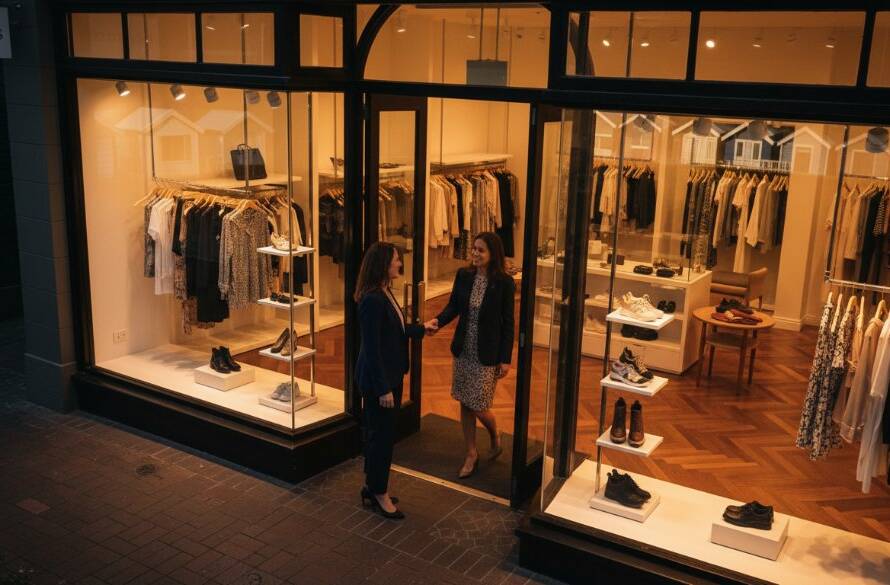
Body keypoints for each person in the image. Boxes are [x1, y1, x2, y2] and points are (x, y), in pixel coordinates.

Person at [424, 232, 516, 478]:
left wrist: (506, 358)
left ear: (492, 254)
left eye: (481, 250)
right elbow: (454, 305)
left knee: (479, 404)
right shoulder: (464, 276)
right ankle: (471, 453)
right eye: (474, 249)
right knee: (464, 401)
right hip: (464, 347)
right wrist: (438, 321)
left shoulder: (505, 283)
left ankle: (494, 434)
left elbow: (508, 323)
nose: (475, 254)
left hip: (488, 352)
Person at [355, 242, 424, 519]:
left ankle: (372, 486)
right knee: (381, 438)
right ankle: (379, 493)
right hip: (379, 381)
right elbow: (371, 348)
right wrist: (383, 388)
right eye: (396, 260)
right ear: (383, 264)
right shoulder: (373, 299)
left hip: (389, 375)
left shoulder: (384, 292)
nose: (399, 264)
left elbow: (393, 330)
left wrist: (421, 329)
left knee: (380, 435)